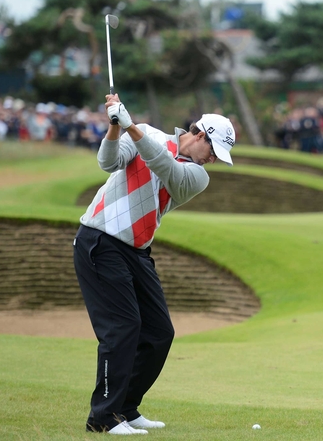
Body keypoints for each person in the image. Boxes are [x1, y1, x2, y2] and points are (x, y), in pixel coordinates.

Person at [73, 93, 235, 435]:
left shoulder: (196, 176)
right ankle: (103, 416)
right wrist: (115, 128)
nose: (213, 161)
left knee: (160, 332)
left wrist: (130, 125)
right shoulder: (147, 133)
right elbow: (107, 162)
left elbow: (164, 165)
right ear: (200, 135)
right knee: (123, 327)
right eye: (213, 152)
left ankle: (126, 408)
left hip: (136, 250)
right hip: (100, 239)